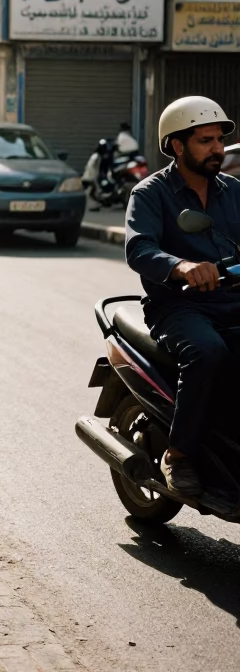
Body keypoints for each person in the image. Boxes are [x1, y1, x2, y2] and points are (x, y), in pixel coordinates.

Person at [125, 95, 240, 496]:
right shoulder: (150, 193)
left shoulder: (233, 191)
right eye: (205, 140)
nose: (217, 149)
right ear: (177, 145)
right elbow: (139, 248)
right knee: (208, 353)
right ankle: (180, 454)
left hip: (232, 300)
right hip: (178, 306)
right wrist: (181, 267)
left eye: (219, 140)